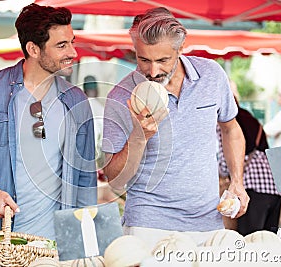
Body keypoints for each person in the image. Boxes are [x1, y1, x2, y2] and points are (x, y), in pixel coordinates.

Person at [0, 3, 97, 240]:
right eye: (62, 45)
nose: (73, 53)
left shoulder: (77, 102)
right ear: (33, 49)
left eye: (72, 42)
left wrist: (85, 243)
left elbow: (86, 177)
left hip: (53, 245)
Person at [102, 7, 249, 246]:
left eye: (162, 60)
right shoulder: (120, 97)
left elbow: (231, 128)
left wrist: (237, 182)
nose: (152, 71)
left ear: (181, 48)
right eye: (143, 60)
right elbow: (114, 178)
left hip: (207, 222)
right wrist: (139, 138)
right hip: (148, 225)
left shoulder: (212, 75)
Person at [217, 80, 281, 236]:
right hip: (275, 186)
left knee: (249, 239)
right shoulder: (249, 117)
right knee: (270, 237)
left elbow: (224, 158)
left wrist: (222, 175)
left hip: (253, 185)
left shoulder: (227, 123)